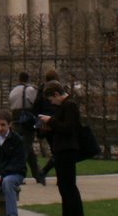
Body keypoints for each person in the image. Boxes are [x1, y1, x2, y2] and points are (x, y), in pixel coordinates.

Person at [39, 80, 84, 216]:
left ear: (57, 94)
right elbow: (61, 127)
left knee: (68, 187)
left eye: (52, 99)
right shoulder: (65, 106)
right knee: (64, 187)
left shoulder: (70, 105)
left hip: (67, 150)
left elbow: (68, 128)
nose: (52, 102)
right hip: (62, 150)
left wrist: (50, 121)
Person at [9, 71, 44, 184]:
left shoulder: (13, 91)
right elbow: (37, 104)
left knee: (27, 149)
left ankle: (38, 174)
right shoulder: (29, 90)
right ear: (28, 79)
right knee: (24, 148)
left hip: (15, 121)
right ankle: (17, 174)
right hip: (27, 121)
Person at [32, 68, 60, 181]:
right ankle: (45, 171)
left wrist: (38, 127)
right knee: (58, 151)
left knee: (55, 150)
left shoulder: (41, 90)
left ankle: (51, 173)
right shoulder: (59, 89)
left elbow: (36, 108)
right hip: (56, 122)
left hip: (45, 124)